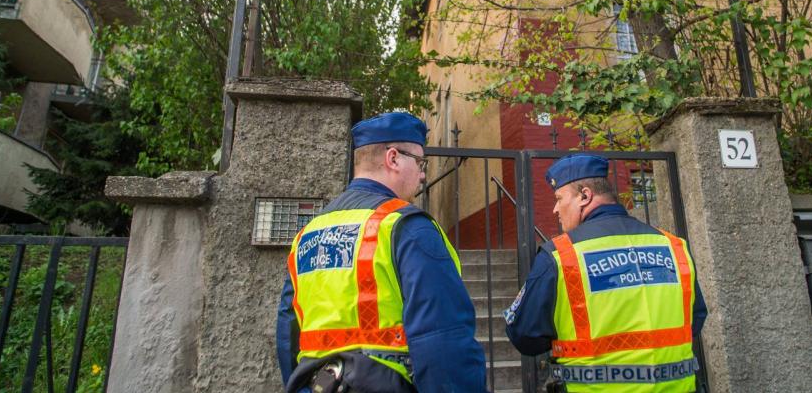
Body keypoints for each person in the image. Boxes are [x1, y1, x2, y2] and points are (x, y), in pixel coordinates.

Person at [276, 112, 488, 392]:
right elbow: (442, 342)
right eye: (420, 161)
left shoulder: (308, 234)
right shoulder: (406, 226)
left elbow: (287, 334)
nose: (423, 173)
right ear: (393, 158)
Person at [504, 154, 707, 391]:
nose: (555, 209)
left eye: (559, 198)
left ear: (585, 196)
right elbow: (695, 320)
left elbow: (525, 336)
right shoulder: (674, 247)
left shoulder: (561, 255)